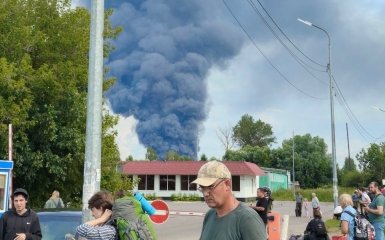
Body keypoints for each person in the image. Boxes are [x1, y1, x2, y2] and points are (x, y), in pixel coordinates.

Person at [192, 160, 266, 240]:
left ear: (227, 184)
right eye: (202, 188)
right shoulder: (210, 215)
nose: (206, 193)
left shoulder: (247, 219)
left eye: (211, 186)